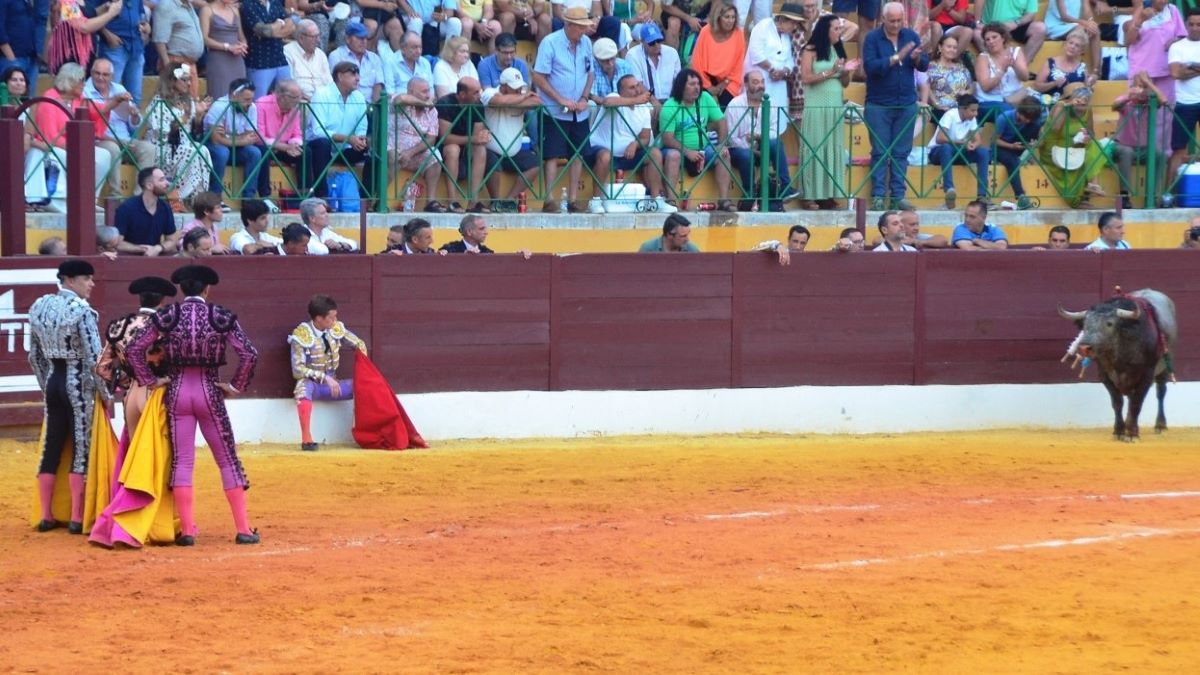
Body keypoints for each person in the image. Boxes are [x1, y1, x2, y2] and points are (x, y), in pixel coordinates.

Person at [126, 265, 260, 546]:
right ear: (207, 289)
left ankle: (187, 532)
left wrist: (151, 380)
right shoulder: (220, 316)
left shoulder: (167, 315)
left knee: (183, 461)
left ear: (182, 290)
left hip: (176, 393)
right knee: (226, 460)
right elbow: (248, 353)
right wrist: (235, 387)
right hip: (209, 392)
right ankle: (244, 530)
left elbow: (134, 349)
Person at [28, 259, 104, 534]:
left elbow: (34, 355)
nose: (92, 284)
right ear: (69, 280)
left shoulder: (40, 306)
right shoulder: (81, 311)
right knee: (81, 449)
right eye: (87, 279)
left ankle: (47, 515)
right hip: (78, 384)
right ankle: (75, 517)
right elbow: (96, 359)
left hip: (53, 382)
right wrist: (105, 394)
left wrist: (45, 384)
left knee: (51, 448)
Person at [94, 275, 176, 475]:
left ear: (140, 299)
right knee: (162, 454)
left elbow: (101, 368)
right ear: (162, 300)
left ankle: (131, 502)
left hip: (131, 395)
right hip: (158, 393)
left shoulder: (120, 325)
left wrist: (127, 380)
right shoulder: (167, 326)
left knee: (134, 453)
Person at [864, 2, 929, 211]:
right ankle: (878, 196)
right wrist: (895, 58)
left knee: (901, 152)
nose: (895, 24)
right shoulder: (872, 39)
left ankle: (898, 195)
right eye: (891, 21)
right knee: (880, 152)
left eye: (899, 20)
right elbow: (870, 67)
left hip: (906, 103)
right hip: (879, 104)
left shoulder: (910, 36)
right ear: (883, 19)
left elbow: (924, 65)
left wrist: (918, 58)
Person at [25, 63, 114, 212]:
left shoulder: (78, 99)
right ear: (70, 81)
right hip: (53, 147)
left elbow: (99, 110)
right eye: (81, 80)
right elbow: (49, 137)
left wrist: (117, 100)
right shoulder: (49, 100)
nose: (84, 84)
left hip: (75, 146)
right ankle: (65, 200)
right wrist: (77, 148)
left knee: (103, 156)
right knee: (74, 157)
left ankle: (89, 199)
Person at [532, 6, 596, 213]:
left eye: (584, 27)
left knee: (578, 153)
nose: (584, 31)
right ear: (568, 25)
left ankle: (573, 199)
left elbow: (590, 73)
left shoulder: (586, 42)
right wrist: (560, 99)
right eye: (580, 27)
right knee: (551, 154)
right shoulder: (550, 43)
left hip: (580, 108)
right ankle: (549, 198)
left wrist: (585, 97)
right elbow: (539, 77)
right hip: (554, 109)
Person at [290, 295, 368, 452]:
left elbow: (359, 344)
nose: (335, 320)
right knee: (302, 388)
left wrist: (364, 369)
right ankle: (307, 439)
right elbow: (298, 370)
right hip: (314, 385)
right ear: (319, 318)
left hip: (335, 385)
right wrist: (325, 378)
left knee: (365, 387)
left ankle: (367, 433)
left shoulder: (336, 328)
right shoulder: (300, 336)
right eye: (331, 317)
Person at [587, 73, 675, 213]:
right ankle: (595, 201)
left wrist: (635, 144)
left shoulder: (644, 107)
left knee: (655, 154)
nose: (637, 90)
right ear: (621, 91)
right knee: (605, 156)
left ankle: (655, 200)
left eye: (638, 86)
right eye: (632, 88)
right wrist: (636, 100)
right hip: (601, 152)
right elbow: (607, 103)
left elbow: (645, 137)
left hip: (628, 155)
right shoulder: (614, 97)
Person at [798, 13, 857, 210]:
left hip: (834, 106)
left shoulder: (838, 50)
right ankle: (809, 194)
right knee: (814, 148)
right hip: (816, 107)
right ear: (825, 30)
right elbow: (806, 78)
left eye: (840, 29)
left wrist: (846, 71)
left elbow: (845, 83)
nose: (840, 32)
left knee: (832, 148)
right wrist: (831, 71)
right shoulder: (811, 49)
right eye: (837, 29)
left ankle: (828, 193)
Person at [660, 68, 736, 211]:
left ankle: (724, 200)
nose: (697, 88)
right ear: (681, 87)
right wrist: (687, 151)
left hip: (703, 148)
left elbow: (721, 121)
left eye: (698, 84)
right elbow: (667, 139)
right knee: (673, 155)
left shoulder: (705, 98)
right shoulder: (670, 106)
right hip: (676, 149)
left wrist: (721, 144)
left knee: (723, 154)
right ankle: (670, 201)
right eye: (691, 84)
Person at [84, 57, 157, 197]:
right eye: (97, 73)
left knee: (149, 148)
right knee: (113, 148)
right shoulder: (85, 92)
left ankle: (140, 197)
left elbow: (133, 123)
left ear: (112, 76)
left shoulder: (119, 89)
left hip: (125, 139)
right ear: (91, 73)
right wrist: (114, 140)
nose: (100, 78)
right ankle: (114, 196)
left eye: (105, 75)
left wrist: (135, 116)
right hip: (100, 139)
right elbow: (87, 125)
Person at [745, 5, 802, 182]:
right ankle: (763, 182)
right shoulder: (763, 26)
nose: (794, 27)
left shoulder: (786, 36)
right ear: (784, 20)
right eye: (793, 23)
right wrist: (771, 69)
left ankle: (773, 181)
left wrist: (783, 71)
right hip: (759, 81)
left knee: (773, 131)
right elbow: (756, 53)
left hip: (777, 86)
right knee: (757, 130)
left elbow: (791, 62)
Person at [145, 63, 215, 203]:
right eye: (184, 79)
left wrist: (199, 116)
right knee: (192, 151)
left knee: (202, 150)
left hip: (183, 146)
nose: (189, 83)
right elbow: (163, 132)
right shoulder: (159, 102)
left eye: (189, 79)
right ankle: (177, 197)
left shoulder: (187, 101)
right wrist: (186, 117)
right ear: (172, 80)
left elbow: (195, 133)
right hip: (162, 148)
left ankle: (197, 197)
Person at [307, 61, 375, 202]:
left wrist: (361, 140)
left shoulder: (359, 97)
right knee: (322, 144)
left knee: (374, 151)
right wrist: (348, 138)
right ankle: (322, 197)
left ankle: (365, 198)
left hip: (346, 149)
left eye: (358, 74)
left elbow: (361, 127)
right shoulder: (322, 94)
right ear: (340, 76)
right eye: (352, 74)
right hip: (321, 148)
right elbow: (317, 131)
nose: (357, 78)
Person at [481, 68, 545, 212]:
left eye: (519, 88)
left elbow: (537, 101)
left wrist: (515, 100)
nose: (518, 91)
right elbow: (498, 101)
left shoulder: (520, 95)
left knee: (535, 164)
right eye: (514, 88)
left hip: (514, 151)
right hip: (491, 149)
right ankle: (495, 202)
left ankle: (509, 200)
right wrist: (523, 98)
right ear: (503, 86)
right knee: (491, 162)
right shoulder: (489, 92)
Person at [728, 70, 791, 212]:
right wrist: (753, 151)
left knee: (776, 143)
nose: (761, 86)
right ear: (746, 84)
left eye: (762, 82)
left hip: (763, 148)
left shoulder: (771, 103)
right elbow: (731, 138)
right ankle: (749, 195)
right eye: (755, 82)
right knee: (746, 155)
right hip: (740, 151)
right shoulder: (735, 104)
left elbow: (774, 132)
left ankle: (786, 188)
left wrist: (759, 137)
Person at [1040, 81, 1107, 208]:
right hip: (1054, 147)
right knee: (1078, 161)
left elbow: (1091, 132)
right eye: (1078, 103)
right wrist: (1067, 106)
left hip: (1075, 144)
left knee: (1094, 146)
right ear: (1070, 99)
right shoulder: (1061, 106)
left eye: (1084, 104)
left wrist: (1087, 137)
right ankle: (1076, 201)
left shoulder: (1088, 110)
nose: (1081, 108)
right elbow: (1055, 128)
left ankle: (1093, 185)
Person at [204, 79, 272, 204]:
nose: (249, 103)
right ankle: (215, 197)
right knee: (222, 152)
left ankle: (248, 198)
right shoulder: (219, 106)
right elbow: (216, 139)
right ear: (234, 96)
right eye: (246, 100)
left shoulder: (251, 108)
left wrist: (228, 137)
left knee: (255, 152)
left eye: (251, 99)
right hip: (211, 147)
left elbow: (251, 137)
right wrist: (239, 139)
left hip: (232, 148)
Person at [1111, 72, 1171, 209]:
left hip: (1142, 148)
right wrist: (1129, 96)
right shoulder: (1126, 100)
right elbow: (1114, 106)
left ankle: (1152, 195)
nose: (1142, 90)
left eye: (1145, 87)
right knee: (1126, 152)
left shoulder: (1151, 103)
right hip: (1122, 145)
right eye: (1139, 86)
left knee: (1159, 153)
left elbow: (1165, 100)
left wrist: (1149, 84)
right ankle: (1124, 195)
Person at [437, 77, 496, 212]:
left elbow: (477, 136)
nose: (479, 95)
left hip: (465, 147)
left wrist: (480, 138)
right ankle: (452, 202)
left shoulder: (478, 105)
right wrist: (473, 138)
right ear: (462, 95)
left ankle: (473, 202)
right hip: (443, 149)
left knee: (480, 148)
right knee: (453, 149)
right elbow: (445, 138)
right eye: (475, 92)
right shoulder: (445, 103)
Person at [392, 77, 450, 213]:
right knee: (390, 154)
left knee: (435, 154)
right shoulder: (401, 100)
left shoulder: (432, 111)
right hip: (393, 150)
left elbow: (431, 139)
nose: (428, 95)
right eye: (424, 92)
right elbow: (399, 100)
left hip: (415, 153)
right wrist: (423, 103)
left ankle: (430, 201)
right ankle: (378, 201)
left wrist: (410, 152)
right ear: (411, 91)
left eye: (428, 91)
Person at [928, 93, 990, 210]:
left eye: (976, 111)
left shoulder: (971, 119)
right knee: (946, 147)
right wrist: (962, 143)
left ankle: (982, 195)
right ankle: (949, 190)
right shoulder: (950, 115)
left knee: (983, 151)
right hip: (938, 153)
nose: (975, 114)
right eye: (972, 111)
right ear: (962, 109)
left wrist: (973, 145)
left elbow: (978, 140)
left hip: (958, 151)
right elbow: (940, 138)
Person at [1166, 9, 1200, 201]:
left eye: (1199, 24)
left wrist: (1190, 67)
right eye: (1192, 24)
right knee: (1178, 150)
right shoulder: (1177, 46)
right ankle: (1167, 194)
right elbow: (1176, 73)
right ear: (1186, 25)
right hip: (1184, 103)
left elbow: (1182, 71)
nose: (1195, 28)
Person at [691, 1, 747, 109]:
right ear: (718, 18)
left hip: (729, 81)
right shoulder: (705, 32)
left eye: (733, 17)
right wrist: (709, 87)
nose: (730, 21)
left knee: (729, 105)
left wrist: (724, 83)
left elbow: (738, 64)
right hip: (705, 79)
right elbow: (697, 62)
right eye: (727, 17)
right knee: (704, 104)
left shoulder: (739, 33)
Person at [256, 78, 306, 198]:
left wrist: (295, 144)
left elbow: (297, 133)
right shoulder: (262, 104)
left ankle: (304, 193)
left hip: (286, 147)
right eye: (294, 97)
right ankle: (265, 196)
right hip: (266, 146)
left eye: (299, 97)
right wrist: (284, 147)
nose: (298, 101)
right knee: (261, 152)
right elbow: (258, 136)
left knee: (305, 152)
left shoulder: (295, 108)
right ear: (281, 96)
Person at [114, 168, 181, 256]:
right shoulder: (126, 208)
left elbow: (172, 240)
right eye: (161, 180)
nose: (167, 183)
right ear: (149, 186)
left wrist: (158, 248)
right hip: (128, 261)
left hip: (156, 259)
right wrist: (142, 249)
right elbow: (118, 243)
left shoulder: (165, 208)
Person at [993, 96, 1044, 211]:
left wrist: (1033, 144)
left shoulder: (1033, 123)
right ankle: (1020, 195)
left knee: (1035, 126)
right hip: (1002, 148)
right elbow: (995, 140)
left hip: (1020, 147)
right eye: (1025, 117)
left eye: (1030, 119)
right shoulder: (1004, 118)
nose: (1027, 121)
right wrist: (1011, 146)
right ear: (1019, 111)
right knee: (1012, 161)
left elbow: (1041, 141)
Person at [974, 23, 1031, 124]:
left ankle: (1027, 140)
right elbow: (985, 87)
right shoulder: (983, 58)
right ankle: (1000, 140)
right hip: (989, 101)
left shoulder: (1016, 51)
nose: (991, 41)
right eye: (987, 39)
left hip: (1015, 98)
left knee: (1037, 110)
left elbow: (1025, 77)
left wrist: (1014, 64)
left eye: (994, 37)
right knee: (1010, 113)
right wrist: (1002, 71)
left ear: (1003, 38)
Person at [95, 0, 147, 105]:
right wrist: (107, 34)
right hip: (114, 47)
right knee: (109, 94)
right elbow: (91, 14)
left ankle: (132, 121)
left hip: (136, 48)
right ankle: (106, 122)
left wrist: (146, 27)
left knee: (135, 97)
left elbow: (142, 16)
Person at [241, 0, 295, 98]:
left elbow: (291, 26)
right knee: (258, 101)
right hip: (259, 62)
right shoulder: (248, 4)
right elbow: (263, 31)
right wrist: (280, 24)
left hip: (280, 59)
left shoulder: (275, 3)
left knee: (289, 97)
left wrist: (273, 32)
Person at [153, 0, 206, 97]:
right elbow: (159, 40)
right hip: (175, 63)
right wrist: (168, 66)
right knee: (176, 103)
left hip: (190, 64)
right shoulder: (166, 5)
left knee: (190, 104)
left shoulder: (188, 4)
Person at [200, 0, 250, 103]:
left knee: (240, 94)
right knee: (220, 94)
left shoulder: (235, 10)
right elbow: (204, 39)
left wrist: (243, 45)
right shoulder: (207, 10)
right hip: (219, 60)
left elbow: (241, 36)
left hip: (237, 60)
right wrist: (227, 47)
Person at [627, 22, 682, 110]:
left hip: (671, 100)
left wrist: (671, 102)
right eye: (652, 42)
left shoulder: (672, 53)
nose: (656, 45)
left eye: (659, 40)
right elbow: (638, 83)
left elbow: (678, 80)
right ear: (642, 42)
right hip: (645, 101)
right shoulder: (633, 55)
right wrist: (653, 101)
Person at [1032, 28, 1095, 102]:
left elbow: (1086, 92)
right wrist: (1054, 83)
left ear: (1081, 51)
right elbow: (1037, 86)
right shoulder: (1050, 62)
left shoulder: (1082, 67)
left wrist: (1090, 85)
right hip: (1050, 104)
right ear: (1065, 44)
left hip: (1072, 107)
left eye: (1077, 45)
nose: (1072, 47)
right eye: (1070, 43)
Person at [329, 21, 386, 102]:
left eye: (365, 38)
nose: (363, 41)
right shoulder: (336, 56)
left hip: (370, 106)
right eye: (359, 38)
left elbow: (378, 85)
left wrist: (374, 108)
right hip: (347, 104)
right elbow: (336, 85)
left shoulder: (374, 58)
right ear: (348, 39)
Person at [976, 0, 1046, 62]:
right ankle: (994, 68)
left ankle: (1020, 67)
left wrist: (1016, 23)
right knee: (976, 34)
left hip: (1016, 24)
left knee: (1040, 28)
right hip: (992, 25)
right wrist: (978, 22)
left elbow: (1030, 14)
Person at [926, 33, 974, 122]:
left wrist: (966, 92)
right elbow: (926, 89)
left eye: (954, 47)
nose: (952, 50)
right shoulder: (931, 67)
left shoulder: (961, 66)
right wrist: (937, 105)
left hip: (961, 108)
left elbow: (971, 87)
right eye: (949, 47)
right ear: (940, 48)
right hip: (941, 109)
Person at [285, 18, 334, 100]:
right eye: (314, 37)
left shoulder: (320, 54)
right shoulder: (288, 52)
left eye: (319, 36)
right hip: (300, 102)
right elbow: (289, 85)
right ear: (301, 38)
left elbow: (329, 83)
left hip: (323, 101)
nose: (318, 40)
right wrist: (312, 100)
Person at [1044, 0, 1102, 69]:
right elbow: (1064, 16)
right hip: (1054, 26)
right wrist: (1084, 23)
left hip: (1073, 25)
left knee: (1095, 30)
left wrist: (1090, 22)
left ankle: (1096, 71)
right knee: (1080, 31)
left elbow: (1087, 11)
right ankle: (1074, 69)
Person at [0, 0, 39, 89]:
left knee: (29, 100)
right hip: (10, 58)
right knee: (10, 99)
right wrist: (12, 59)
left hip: (31, 57)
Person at [385, 30, 434, 97]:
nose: (419, 51)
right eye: (414, 47)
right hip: (400, 105)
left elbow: (431, 91)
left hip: (424, 105)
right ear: (403, 48)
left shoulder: (425, 63)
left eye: (420, 47)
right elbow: (389, 93)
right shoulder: (390, 63)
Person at [383, 217, 447, 254]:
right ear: (415, 240)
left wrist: (442, 258)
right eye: (428, 237)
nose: (431, 241)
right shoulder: (394, 251)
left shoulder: (430, 253)